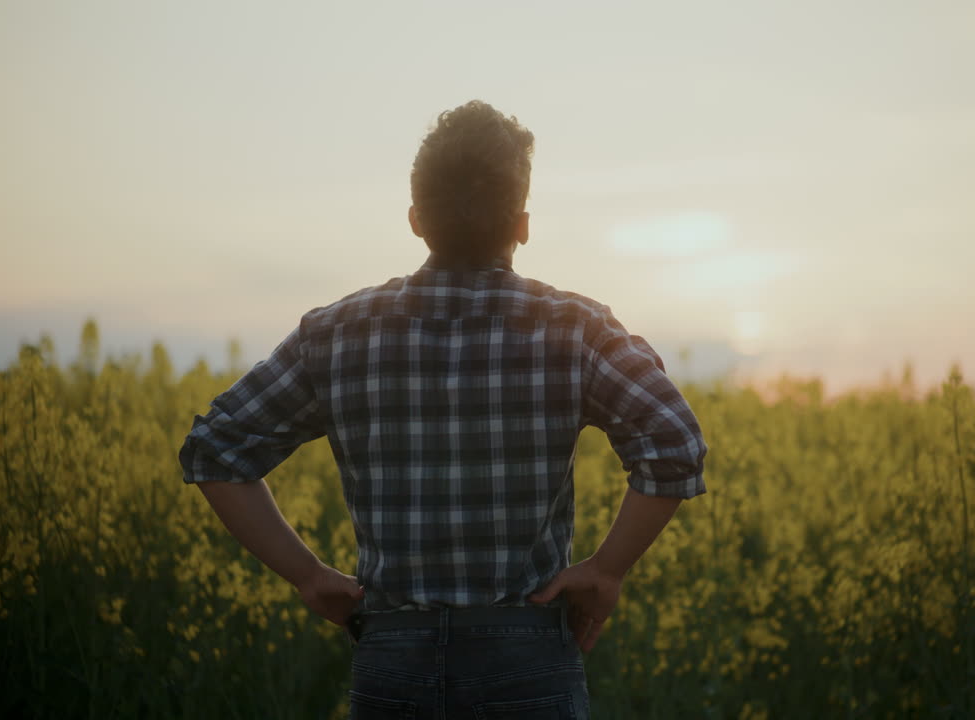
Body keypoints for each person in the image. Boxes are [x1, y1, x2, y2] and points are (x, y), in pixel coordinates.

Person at [178, 99, 708, 718]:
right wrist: (608, 569)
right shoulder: (576, 329)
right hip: (528, 655)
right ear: (522, 224)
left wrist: (307, 574)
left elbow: (215, 450)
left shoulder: (337, 333)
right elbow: (674, 441)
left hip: (391, 656)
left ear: (414, 219)